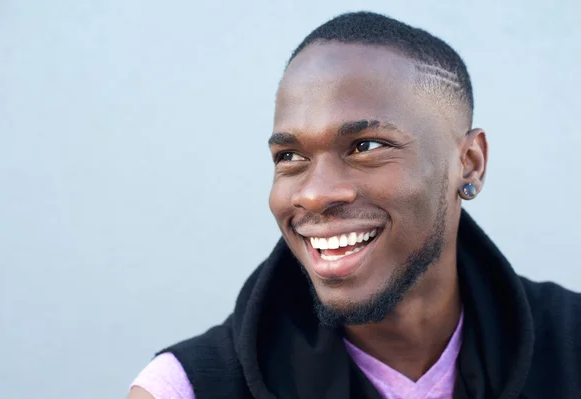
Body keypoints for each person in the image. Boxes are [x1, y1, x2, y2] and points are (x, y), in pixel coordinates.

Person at [128, 11, 581, 399]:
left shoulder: (570, 350)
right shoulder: (184, 388)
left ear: (469, 163)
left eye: (365, 146)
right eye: (290, 157)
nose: (314, 193)